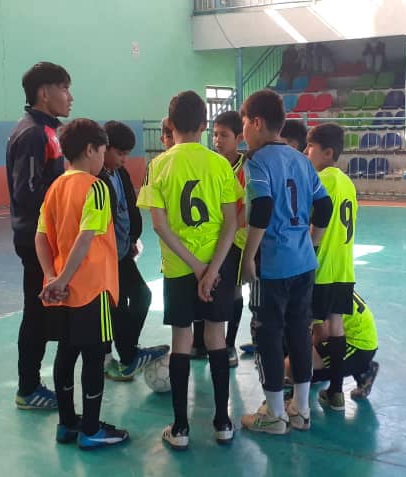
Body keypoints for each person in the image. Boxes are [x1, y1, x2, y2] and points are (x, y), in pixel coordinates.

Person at [137, 91, 242, 450]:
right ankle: (223, 422)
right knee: (216, 337)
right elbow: (231, 223)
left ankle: (180, 428)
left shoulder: (158, 166)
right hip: (218, 266)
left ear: (169, 125)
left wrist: (195, 266)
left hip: (180, 269)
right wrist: (212, 269)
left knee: (181, 341)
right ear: (204, 125)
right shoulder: (219, 165)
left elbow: (159, 226)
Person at [238, 90, 333, 435]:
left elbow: (261, 208)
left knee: (267, 336)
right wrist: (311, 241)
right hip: (303, 264)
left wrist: (249, 258)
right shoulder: (301, 160)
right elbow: (324, 207)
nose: (243, 130)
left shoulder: (257, 161)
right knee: (298, 332)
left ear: (258, 123)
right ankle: (301, 410)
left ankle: (275, 414)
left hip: (274, 266)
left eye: (245, 123)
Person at [35, 118, 129, 450]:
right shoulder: (96, 187)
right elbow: (87, 238)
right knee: (93, 357)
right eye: (102, 151)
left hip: (63, 290)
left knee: (66, 353)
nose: (103, 158)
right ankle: (91, 429)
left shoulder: (55, 187)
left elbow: (41, 237)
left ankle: (67, 423)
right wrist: (62, 278)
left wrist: (51, 277)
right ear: (90, 149)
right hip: (93, 287)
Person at [6, 61, 72, 411]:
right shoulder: (32, 133)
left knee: (47, 311)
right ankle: (28, 388)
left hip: (49, 237)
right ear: (44, 93)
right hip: (36, 239)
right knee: (36, 312)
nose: (70, 97)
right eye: (64, 88)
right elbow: (29, 193)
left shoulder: (50, 130)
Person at [98, 121, 169, 381]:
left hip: (123, 252)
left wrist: (133, 237)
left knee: (142, 296)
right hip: (104, 258)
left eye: (128, 154)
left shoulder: (121, 174)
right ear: (103, 148)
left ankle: (128, 353)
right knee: (112, 308)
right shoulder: (95, 179)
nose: (124, 159)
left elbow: (129, 208)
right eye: (120, 153)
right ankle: (113, 358)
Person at [303, 123, 357, 411]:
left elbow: (317, 221)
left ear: (328, 152)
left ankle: (300, 385)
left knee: (305, 326)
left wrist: (309, 248)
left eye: (310, 147)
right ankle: (336, 391)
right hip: (344, 269)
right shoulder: (348, 183)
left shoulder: (322, 179)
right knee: (335, 326)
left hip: (321, 266)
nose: (305, 152)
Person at [285, 291, 379, 400]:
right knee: (296, 347)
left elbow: (321, 336)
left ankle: (363, 370)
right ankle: (362, 370)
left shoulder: (316, 293)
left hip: (358, 347)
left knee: (292, 365)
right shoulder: (326, 281)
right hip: (363, 340)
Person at [211, 110, 248, 367]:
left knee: (234, 291)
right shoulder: (210, 164)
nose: (218, 140)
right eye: (214, 135)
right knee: (212, 288)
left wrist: (233, 229)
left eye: (224, 135)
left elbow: (250, 205)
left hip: (239, 241)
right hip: (214, 239)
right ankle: (208, 341)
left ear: (239, 138)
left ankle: (229, 343)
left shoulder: (247, 167)